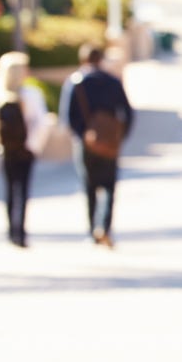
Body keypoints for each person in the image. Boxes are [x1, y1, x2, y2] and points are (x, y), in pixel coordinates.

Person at [0, 51, 50, 247]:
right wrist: (32, 145)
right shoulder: (31, 94)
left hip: (5, 151)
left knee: (10, 190)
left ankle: (12, 230)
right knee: (22, 189)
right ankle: (20, 231)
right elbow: (41, 123)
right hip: (25, 151)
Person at [65, 45, 133, 248]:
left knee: (89, 186)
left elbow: (68, 116)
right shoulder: (112, 81)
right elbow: (128, 112)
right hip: (111, 141)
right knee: (110, 186)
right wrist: (120, 136)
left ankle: (92, 230)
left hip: (87, 142)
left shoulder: (76, 82)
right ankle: (105, 226)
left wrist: (83, 136)